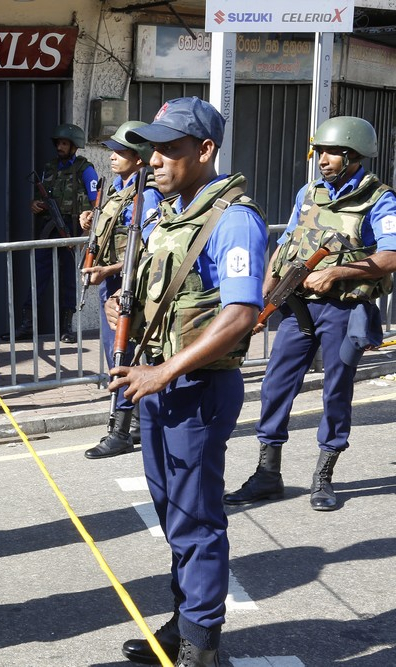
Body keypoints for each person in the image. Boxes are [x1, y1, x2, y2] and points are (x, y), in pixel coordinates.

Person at [106, 98, 268, 667]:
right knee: (173, 514)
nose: (153, 160)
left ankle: (201, 645)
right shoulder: (170, 212)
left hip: (195, 389)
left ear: (204, 151)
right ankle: (185, 620)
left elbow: (241, 314)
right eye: (151, 148)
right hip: (160, 387)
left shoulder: (233, 219)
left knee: (196, 518)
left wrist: (163, 371)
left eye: (169, 149)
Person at [224, 116, 396, 512]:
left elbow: (389, 255)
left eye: (331, 153)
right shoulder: (309, 191)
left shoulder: (379, 198)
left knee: (336, 391)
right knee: (275, 385)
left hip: (343, 309)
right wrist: (262, 291)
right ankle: (268, 473)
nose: (322, 160)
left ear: (353, 156)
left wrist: (336, 271)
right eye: (319, 152)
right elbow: (287, 242)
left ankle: (323, 477)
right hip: (296, 307)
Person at [81, 122, 162, 459]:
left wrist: (107, 270)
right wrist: (89, 218)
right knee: (120, 352)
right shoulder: (119, 188)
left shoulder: (148, 194)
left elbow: (148, 248)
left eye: (121, 152)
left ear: (139, 158)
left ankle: (119, 432)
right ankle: (140, 425)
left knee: (121, 356)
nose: (112, 157)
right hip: (112, 283)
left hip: (128, 285)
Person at [2, 122, 98, 343]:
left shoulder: (86, 170)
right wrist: (35, 204)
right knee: (38, 276)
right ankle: (27, 325)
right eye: (59, 143)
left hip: (71, 230)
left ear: (75, 146)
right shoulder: (49, 168)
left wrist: (86, 226)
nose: (60, 147)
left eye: (65, 143)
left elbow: (96, 204)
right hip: (48, 228)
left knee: (67, 279)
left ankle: (67, 328)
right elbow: (42, 197)